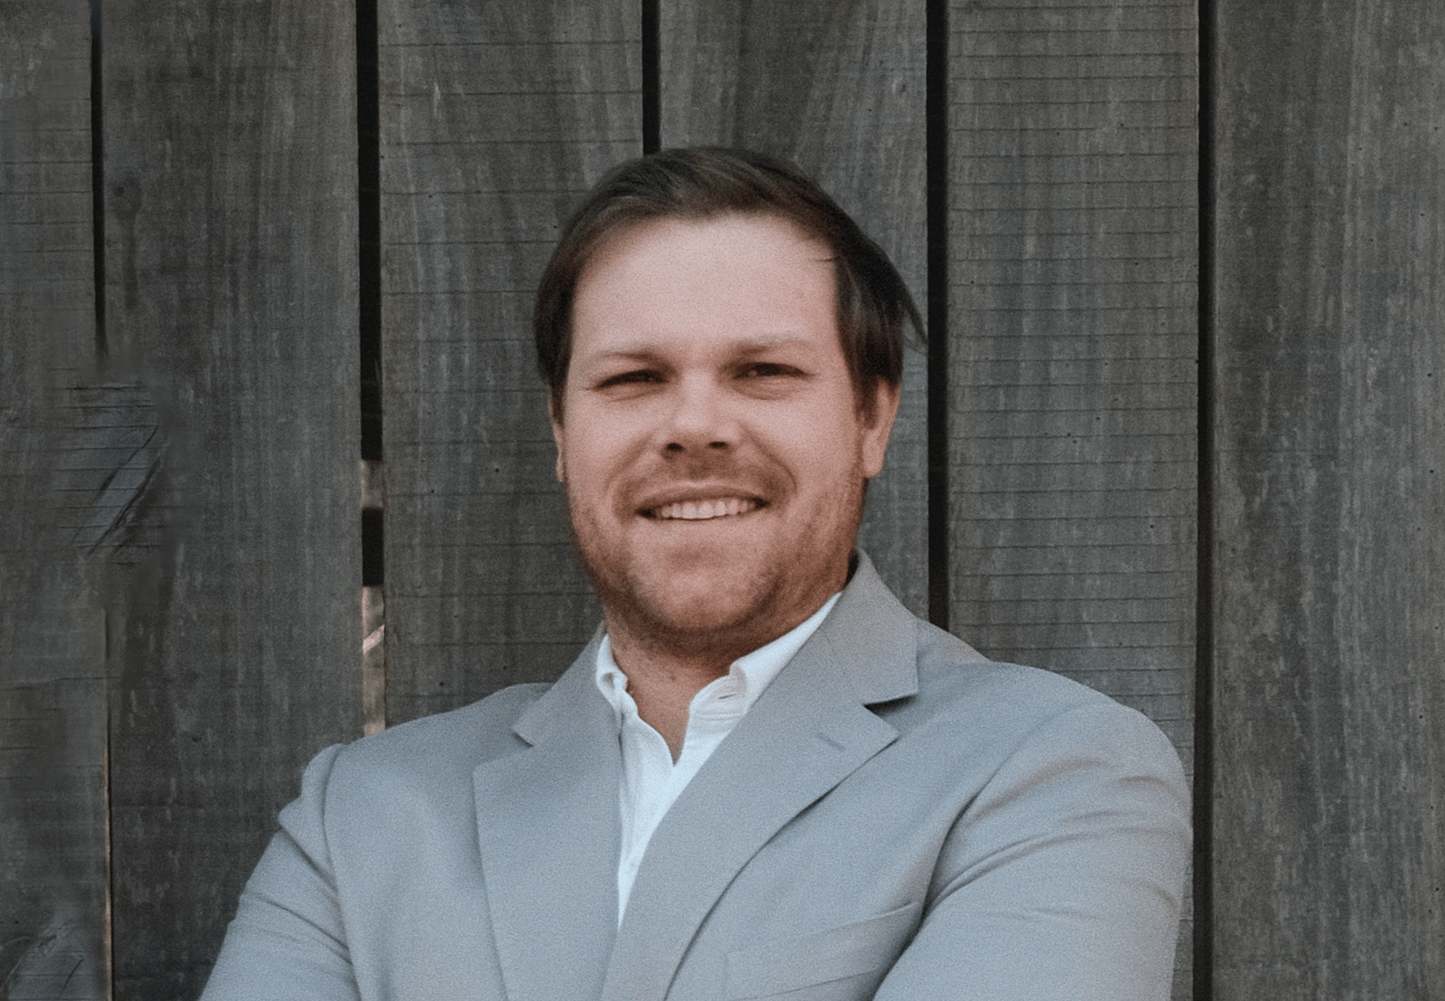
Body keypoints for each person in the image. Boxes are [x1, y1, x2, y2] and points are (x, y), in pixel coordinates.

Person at [200, 147, 1189, 1001]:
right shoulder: (361, 814)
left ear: (870, 418)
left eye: (762, 371)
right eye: (633, 379)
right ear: (561, 430)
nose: (693, 424)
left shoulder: (1051, 770)